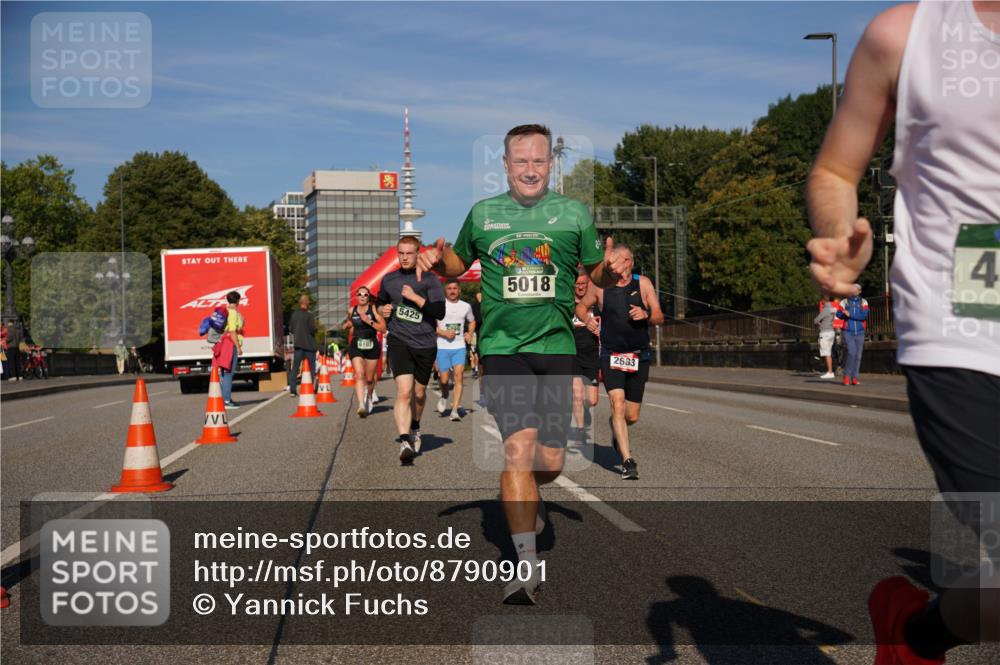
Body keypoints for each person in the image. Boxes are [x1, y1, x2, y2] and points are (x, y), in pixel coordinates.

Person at [805, 2, 999, 662]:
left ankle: (917, 631)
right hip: (965, 319)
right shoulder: (905, 36)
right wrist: (840, 236)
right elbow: (835, 171)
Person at [415, 123, 629, 604]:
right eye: (520, 161)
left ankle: (532, 497)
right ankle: (525, 565)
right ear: (505, 165)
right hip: (502, 347)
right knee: (517, 449)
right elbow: (457, 264)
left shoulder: (573, 214)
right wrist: (437, 258)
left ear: (550, 164)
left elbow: (594, 268)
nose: (529, 169)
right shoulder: (485, 214)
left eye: (538, 161)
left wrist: (609, 273)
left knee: (549, 462)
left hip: (556, 346)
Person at [576, 244, 663, 480]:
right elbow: (581, 307)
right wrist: (588, 320)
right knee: (617, 403)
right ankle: (627, 461)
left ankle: (618, 428)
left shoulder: (642, 283)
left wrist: (646, 315)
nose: (612, 265)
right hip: (611, 354)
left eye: (617, 261)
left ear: (629, 262)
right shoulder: (599, 287)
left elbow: (659, 316)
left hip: (638, 355)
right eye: (610, 261)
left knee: (631, 415)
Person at [376, 235, 446, 464]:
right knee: (404, 392)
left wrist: (415, 298)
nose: (404, 257)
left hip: (425, 343)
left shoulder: (430, 280)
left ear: (418, 254)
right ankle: (405, 440)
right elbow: (380, 301)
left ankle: (415, 426)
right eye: (401, 253)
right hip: (399, 340)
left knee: (418, 394)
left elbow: (439, 313)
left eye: (409, 253)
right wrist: (384, 309)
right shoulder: (389, 279)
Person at [435, 278, 476, 421]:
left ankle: (454, 410)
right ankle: (445, 395)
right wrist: (443, 333)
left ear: (459, 290)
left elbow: (472, 321)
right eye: (449, 288)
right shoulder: (439, 306)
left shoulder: (466, 306)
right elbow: (431, 326)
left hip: (459, 346)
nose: (452, 291)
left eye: (455, 288)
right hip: (442, 347)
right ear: (445, 290)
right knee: (444, 380)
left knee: (459, 376)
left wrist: (469, 333)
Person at [343, 286, 387, 417]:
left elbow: (383, 328)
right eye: (360, 294)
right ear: (356, 296)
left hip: (372, 344)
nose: (362, 296)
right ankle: (361, 405)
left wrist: (370, 321)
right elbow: (349, 322)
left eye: (365, 295)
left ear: (368, 297)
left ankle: (369, 395)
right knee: (359, 374)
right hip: (356, 344)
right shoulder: (352, 310)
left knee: (369, 379)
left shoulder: (373, 309)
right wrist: (346, 325)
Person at [571, 269, 601, 439]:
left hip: (592, 354)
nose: (581, 287)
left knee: (591, 400)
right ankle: (581, 431)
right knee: (576, 393)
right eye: (578, 284)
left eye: (584, 284)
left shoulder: (595, 304)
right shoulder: (568, 305)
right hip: (573, 353)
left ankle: (585, 409)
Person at [836, 284, 869, 385]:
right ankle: (846, 376)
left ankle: (854, 377)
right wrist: (843, 314)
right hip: (848, 331)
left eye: (855, 289)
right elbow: (838, 313)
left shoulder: (864, 302)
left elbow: (864, 315)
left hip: (860, 332)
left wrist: (850, 315)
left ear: (859, 291)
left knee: (858, 355)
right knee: (851, 352)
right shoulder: (844, 301)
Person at [287, 294, 318, 397]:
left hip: (298, 345)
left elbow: (290, 329)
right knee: (312, 368)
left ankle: (292, 390)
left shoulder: (294, 314)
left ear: (300, 303)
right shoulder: (309, 315)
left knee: (295, 368)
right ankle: (311, 388)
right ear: (307, 303)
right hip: (309, 345)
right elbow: (312, 329)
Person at [218, 290, 244, 408]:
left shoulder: (226, 310)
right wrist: (238, 347)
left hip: (224, 343)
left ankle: (225, 398)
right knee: (229, 373)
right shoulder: (232, 313)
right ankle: (226, 401)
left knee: (224, 373)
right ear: (237, 300)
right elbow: (233, 331)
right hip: (230, 344)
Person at [814, 297, 837, 379]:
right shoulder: (832, 309)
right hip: (831, 332)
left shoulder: (825, 309)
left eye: (822, 300)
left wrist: (820, 324)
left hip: (825, 333)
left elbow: (816, 320)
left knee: (826, 353)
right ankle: (829, 370)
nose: (821, 301)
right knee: (829, 352)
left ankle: (830, 372)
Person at [470, 290, 483, 379]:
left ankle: (478, 369)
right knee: (474, 353)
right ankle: (475, 369)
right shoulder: (473, 306)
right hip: (476, 333)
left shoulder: (487, 305)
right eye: (478, 296)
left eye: (481, 296)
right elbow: (476, 319)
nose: (479, 297)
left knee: (480, 354)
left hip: (485, 332)